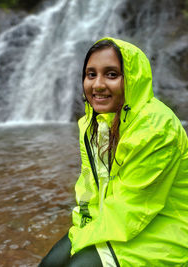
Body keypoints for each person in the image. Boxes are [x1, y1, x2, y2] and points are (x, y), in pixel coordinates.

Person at [38, 37, 188, 266]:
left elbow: (134, 207)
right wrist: (81, 228)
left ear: (132, 79)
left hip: (165, 229)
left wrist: (80, 243)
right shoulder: (94, 123)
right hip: (117, 220)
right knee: (50, 263)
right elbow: (90, 188)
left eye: (111, 74)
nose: (97, 84)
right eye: (91, 74)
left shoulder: (156, 128)